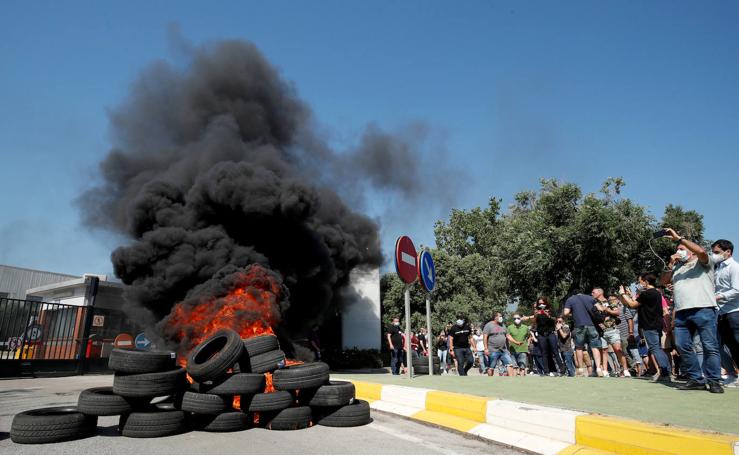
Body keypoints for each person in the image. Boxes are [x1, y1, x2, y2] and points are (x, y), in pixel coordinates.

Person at [660, 228, 723, 393]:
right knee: (682, 346)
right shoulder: (677, 268)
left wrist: (679, 239)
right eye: (678, 249)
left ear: (691, 250)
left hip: (703, 309)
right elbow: (663, 281)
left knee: (710, 346)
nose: (678, 251)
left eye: (682, 249)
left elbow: (701, 251)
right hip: (682, 313)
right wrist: (670, 264)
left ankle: (714, 380)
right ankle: (696, 378)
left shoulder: (703, 262)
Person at [618, 274, 672, 382]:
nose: (638, 284)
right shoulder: (657, 293)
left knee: (655, 348)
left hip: (649, 325)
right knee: (657, 348)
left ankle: (665, 372)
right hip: (657, 324)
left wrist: (623, 294)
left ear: (646, 282)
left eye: (640, 282)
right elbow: (637, 303)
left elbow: (632, 305)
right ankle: (666, 371)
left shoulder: (646, 294)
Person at [712, 239, 739, 387]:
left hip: (735, 312)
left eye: (717, 252)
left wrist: (718, 296)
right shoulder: (718, 268)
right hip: (721, 312)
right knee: (721, 344)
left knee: (736, 343)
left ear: (728, 252)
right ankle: (731, 374)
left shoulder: (734, 267)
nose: (714, 255)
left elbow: (737, 290)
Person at [563, 291, 605, 377]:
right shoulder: (591, 298)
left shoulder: (570, 299)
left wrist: (573, 314)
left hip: (579, 325)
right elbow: (601, 309)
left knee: (579, 348)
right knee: (595, 347)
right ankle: (598, 369)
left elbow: (565, 313)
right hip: (592, 325)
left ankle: (580, 370)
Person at [526, 298, 565, 376]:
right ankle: (546, 371)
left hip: (551, 333)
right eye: (539, 303)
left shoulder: (550, 310)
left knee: (555, 352)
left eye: (542, 303)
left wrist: (549, 316)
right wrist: (535, 315)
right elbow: (534, 322)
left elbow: (557, 319)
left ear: (545, 303)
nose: (541, 305)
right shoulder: (537, 311)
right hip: (541, 334)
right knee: (544, 353)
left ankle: (562, 370)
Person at [602, 295, 628, 377]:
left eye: (612, 299)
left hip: (613, 330)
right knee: (604, 351)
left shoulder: (612, 306)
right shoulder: (597, 305)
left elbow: (617, 312)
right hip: (603, 332)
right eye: (609, 299)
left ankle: (625, 370)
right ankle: (605, 371)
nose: (611, 301)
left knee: (618, 349)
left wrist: (607, 310)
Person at [483, 312, 515, 376]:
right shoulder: (488, 325)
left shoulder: (503, 325)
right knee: (491, 368)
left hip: (503, 350)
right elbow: (485, 337)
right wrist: (486, 349)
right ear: (495, 317)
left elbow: (507, 335)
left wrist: (516, 342)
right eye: (500, 316)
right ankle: (490, 382)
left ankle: (512, 381)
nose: (501, 318)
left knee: (510, 365)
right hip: (493, 350)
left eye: (501, 316)